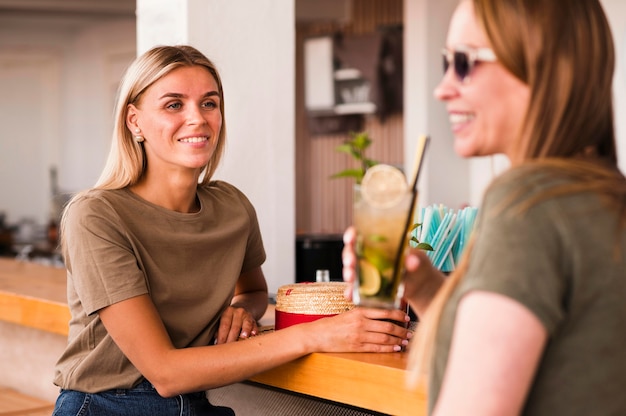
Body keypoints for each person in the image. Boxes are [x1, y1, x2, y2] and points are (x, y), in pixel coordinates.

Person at [52, 45, 411, 416]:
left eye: (209, 103)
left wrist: (242, 309)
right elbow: (165, 372)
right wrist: (317, 334)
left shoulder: (232, 207)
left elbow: (254, 291)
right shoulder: (96, 215)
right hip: (105, 405)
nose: (198, 118)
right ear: (134, 121)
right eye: (174, 105)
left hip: (194, 404)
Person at [343, 0, 626, 414]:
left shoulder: (527, 204)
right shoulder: (597, 194)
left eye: (464, 62)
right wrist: (424, 289)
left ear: (539, 66)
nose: (443, 88)